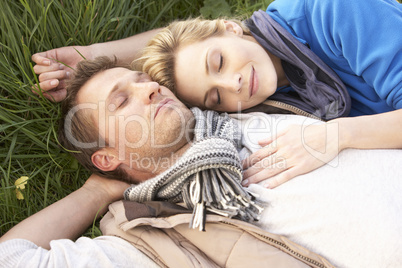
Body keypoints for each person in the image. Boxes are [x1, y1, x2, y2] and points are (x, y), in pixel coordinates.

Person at [2, 56, 402, 267]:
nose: (150, 90)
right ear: (107, 157)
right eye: (122, 101)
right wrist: (97, 192)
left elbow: (210, 43)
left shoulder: (238, 108)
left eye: (144, 80)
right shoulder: (150, 238)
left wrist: (85, 56)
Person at [136, 0, 402, 189]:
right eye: (216, 97)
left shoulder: (334, 8)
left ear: (230, 27)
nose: (233, 84)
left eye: (219, 62)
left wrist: (337, 135)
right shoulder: (266, 107)